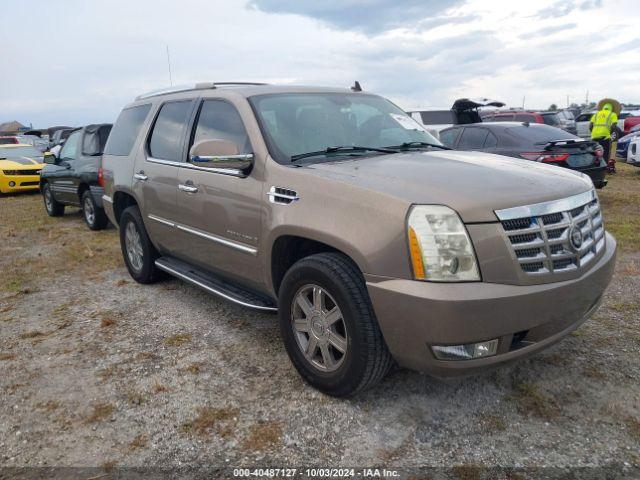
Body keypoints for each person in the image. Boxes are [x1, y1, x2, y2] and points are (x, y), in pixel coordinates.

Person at [590, 103, 618, 173]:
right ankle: (603, 169)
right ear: (611, 108)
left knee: (595, 152)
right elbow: (613, 126)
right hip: (605, 136)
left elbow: (590, 125)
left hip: (594, 136)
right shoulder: (612, 114)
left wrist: (593, 133)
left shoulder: (596, 114)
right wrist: (610, 133)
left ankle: (594, 167)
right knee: (605, 153)